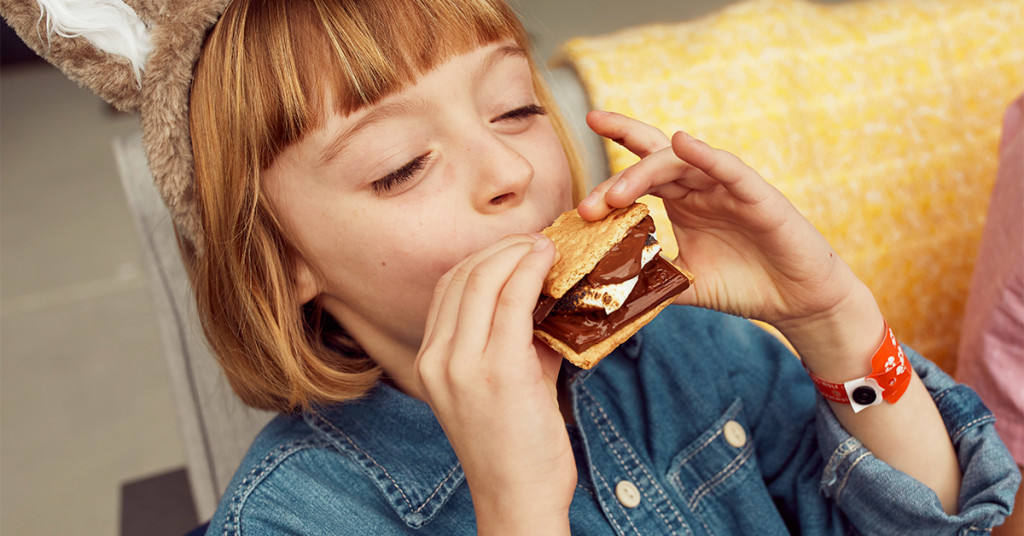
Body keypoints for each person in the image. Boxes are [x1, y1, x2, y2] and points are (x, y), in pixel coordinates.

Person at [2, 0, 1014, 533]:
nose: (505, 169)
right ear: (285, 265)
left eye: (516, 107)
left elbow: (937, 519)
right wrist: (519, 498)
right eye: (400, 166)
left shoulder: (704, 358)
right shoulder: (297, 514)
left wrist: (831, 314)